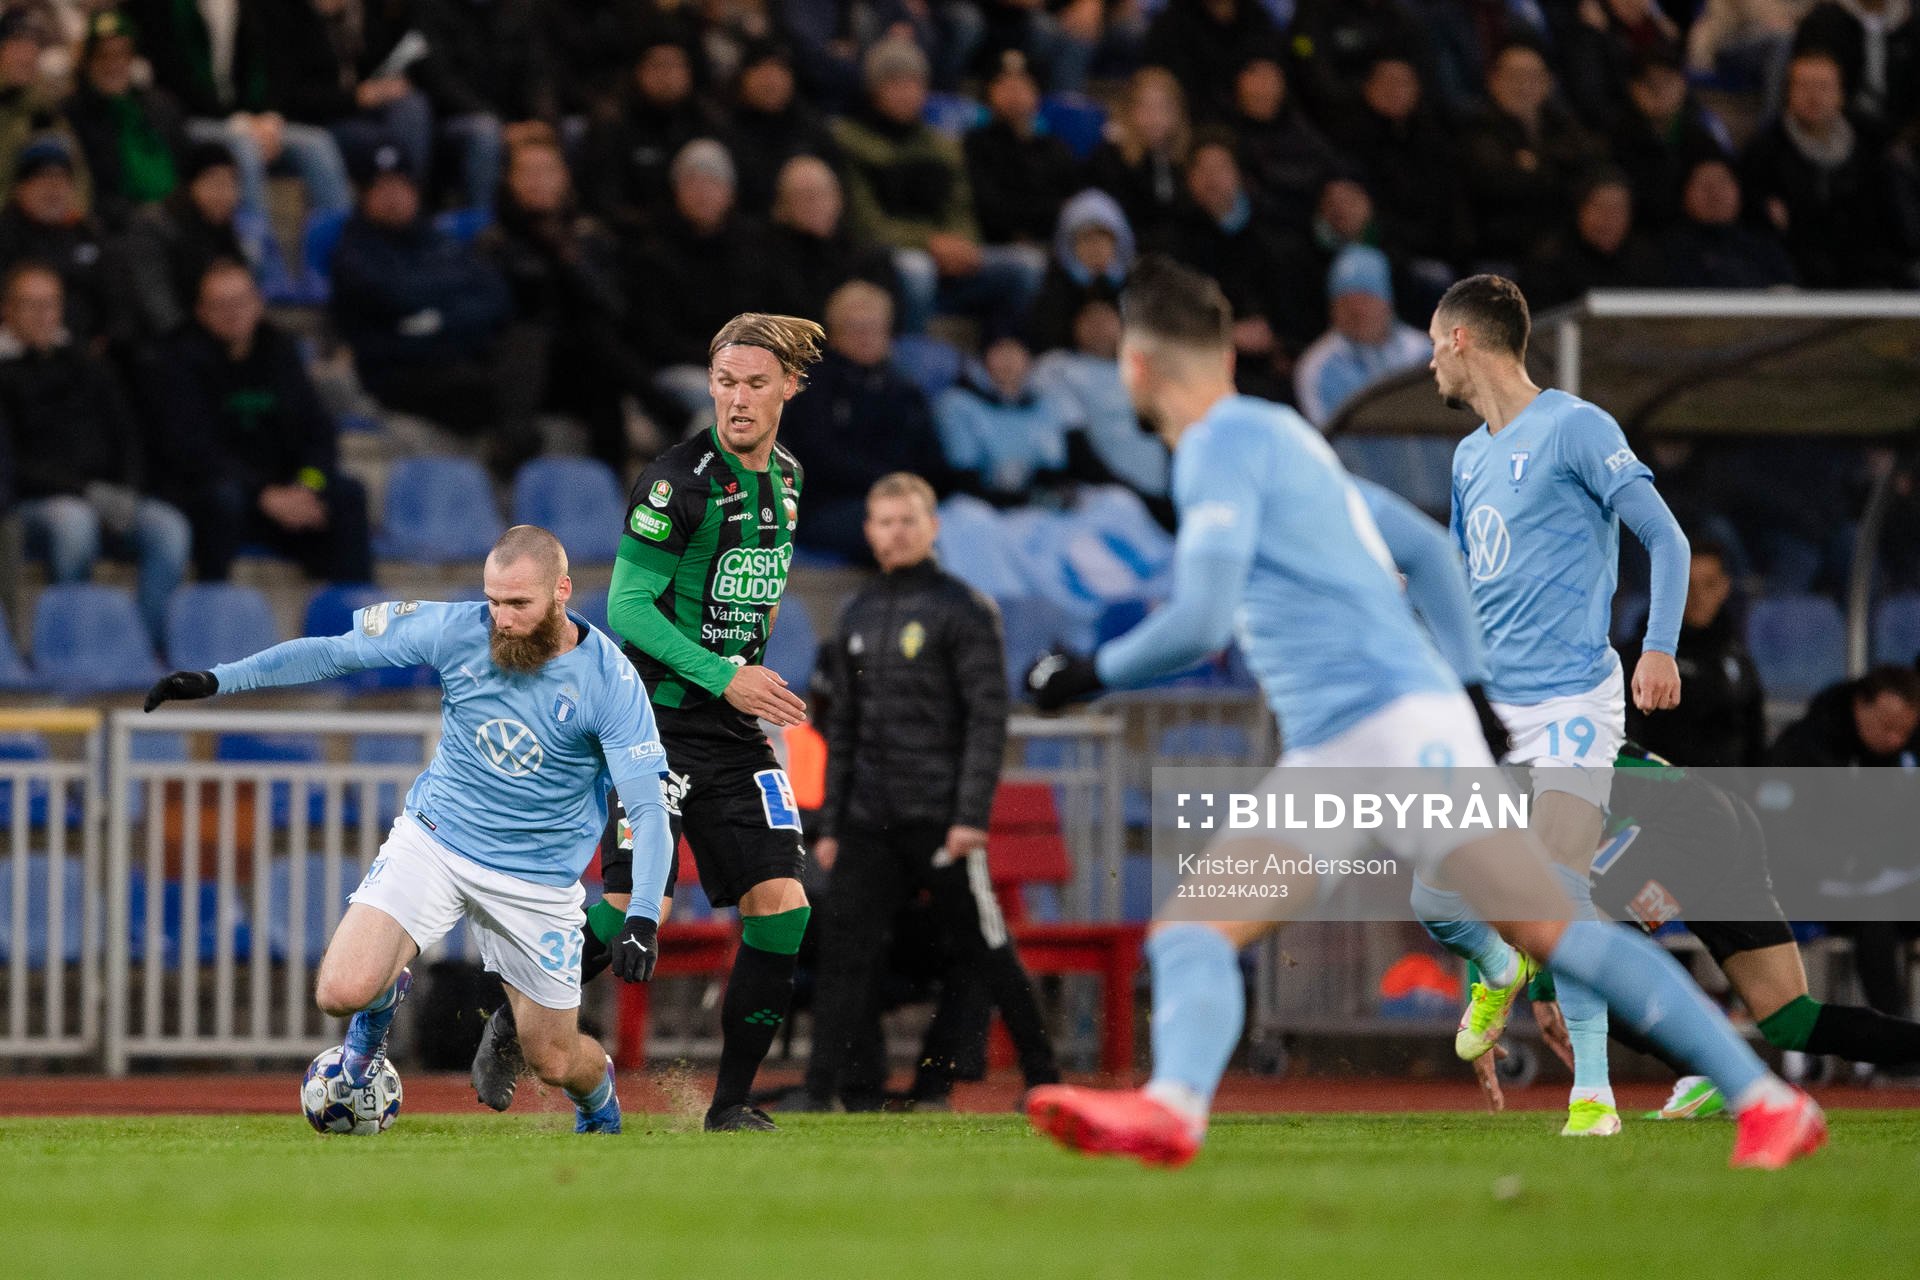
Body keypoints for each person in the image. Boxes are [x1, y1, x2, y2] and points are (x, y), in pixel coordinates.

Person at [1019, 254, 1823, 1171]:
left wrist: (1081, 672)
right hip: (1366, 739)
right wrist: (1475, 695)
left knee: (1543, 925)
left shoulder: (1214, 448)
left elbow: (1200, 620)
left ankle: (1750, 1096)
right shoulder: (1286, 440)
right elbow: (1433, 555)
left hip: (1380, 732)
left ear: (1136, 365)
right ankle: (1766, 1099)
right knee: (1207, 930)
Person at [143, 525, 673, 1136]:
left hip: (537, 880)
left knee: (552, 1060)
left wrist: (642, 917)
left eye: (518, 604)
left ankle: (599, 1099)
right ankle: (381, 996)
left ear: (561, 592)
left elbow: (648, 808)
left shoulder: (610, 681)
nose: (501, 619)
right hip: (437, 841)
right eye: (494, 600)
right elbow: (333, 652)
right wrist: (217, 680)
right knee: (339, 991)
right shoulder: (456, 628)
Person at [473, 313, 824, 1132]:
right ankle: (512, 1013)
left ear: (789, 388)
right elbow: (628, 607)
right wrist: (725, 675)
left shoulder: (792, 478)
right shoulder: (676, 480)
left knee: (785, 907)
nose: (737, 399)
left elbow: (751, 592)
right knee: (638, 906)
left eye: (756, 383)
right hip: (653, 726)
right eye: (725, 382)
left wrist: (739, 677)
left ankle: (731, 1105)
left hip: (734, 734)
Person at [1417, 273, 1692, 1138]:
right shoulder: (1469, 459)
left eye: (1433, 343)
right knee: (1435, 898)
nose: (1429, 362)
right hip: (1496, 710)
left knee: (1563, 891)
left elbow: (1667, 536)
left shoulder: (1576, 426)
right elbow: (1464, 583)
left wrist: (1658, 644)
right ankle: (1498, 967)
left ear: (1463, 339)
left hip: (1574, 698)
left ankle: (1594, 1097)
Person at [790, 472, 1061, 1110]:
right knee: (844, 955)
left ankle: (1045, 1079)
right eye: (884, 522)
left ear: (933, 527)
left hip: (939, 819)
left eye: (908, 520)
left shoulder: (964, 610)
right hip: (866, 820)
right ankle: (819, 1091)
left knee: (986, 945)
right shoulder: (857, 613)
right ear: (868, 532)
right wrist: (830, 825)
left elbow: (987, 721)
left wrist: (969, 816)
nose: (896, 533)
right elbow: (844, 731)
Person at [144, 260, 372, 584]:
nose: (233, 313)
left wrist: (308, 483)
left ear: (258, 303)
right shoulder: (178, 360)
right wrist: (263, 494)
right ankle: (215, 612)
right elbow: (191, 450)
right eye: (220, 305)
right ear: (201, 312)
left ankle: (356, 620)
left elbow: (317, 430)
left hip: (286, 491)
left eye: (241, 302)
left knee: (348, 495)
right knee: (222, 502)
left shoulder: (279, 350)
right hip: (223, 493)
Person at [0, 261, 187, 650]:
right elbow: (11, 462)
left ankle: (141, 645)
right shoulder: (5, 371)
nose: (43, 315)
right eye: (30, 304)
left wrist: (127, 491)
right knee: (74, 523)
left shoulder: (88, 363)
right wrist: (87, 492)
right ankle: (72, 642)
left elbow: (126, 434)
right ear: (8, 309)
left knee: (169, 528)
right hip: (34, 504)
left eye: (50, 304)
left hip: (103, 494)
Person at [833, 38, 1042, 337]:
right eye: (895, 83)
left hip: (949, 259)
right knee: (918, 270)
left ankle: (1001, 357)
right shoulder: (848, 140)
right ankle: (911, 352)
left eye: (915, 83)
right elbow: (866, 224)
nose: (907, 92)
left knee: (1026, 265)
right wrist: (930, 244)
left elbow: (962, 207)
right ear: (874, 89)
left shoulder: (942, 145)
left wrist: (961, 245)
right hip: (887, 261)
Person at [777, 280, 947, 561]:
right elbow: (818, 456)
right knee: (897, 528)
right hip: (827, 506)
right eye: (856, 328)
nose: (866, 336)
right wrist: (890, 482)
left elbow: (931, 455)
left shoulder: (904, 389)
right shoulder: (813, 386)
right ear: (835, 333)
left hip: (902, 498)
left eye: (875, 327)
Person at [1740, 47, 1908, 287]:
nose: (1813, 96)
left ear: (1840, 93)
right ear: (1789, 92)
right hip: (1797, 271)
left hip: (1867, 270)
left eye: (1822, 86)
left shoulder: (1871, 144)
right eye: (1803, 86)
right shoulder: (1765, 150)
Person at [1618, 539, 1767, 768]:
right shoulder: (1635, 661)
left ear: (1724, 587)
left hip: (1726, 800)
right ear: (1667, 589)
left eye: (1708, 584)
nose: (1697, 597)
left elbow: (1755, 747)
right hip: (1658, 796)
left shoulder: (1738, 661)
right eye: (1686, 586)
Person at [1293, 245, 1429, 430]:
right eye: (1346, 303)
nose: (1358, 312)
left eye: (1367, 299)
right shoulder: (1317, 369)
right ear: (1332, 310)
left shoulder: (1425, 352)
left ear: (1387, 302)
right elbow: (1328, 442)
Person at [936, 335, 1072, 503]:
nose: (1008, 360)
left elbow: (1052, 471)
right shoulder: (957, 404)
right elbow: (963, 475)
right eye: (1000, 351)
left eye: (1014, 351)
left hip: (1030, 508)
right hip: (975, 506)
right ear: (984, 356)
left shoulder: (1046, 405)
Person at [1521, 168, 1665, 310]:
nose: (1609, 218)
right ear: (1580, 210)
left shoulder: (1645, 259)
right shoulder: (1549, 259)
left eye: (1618, 209)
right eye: (1599, 207)